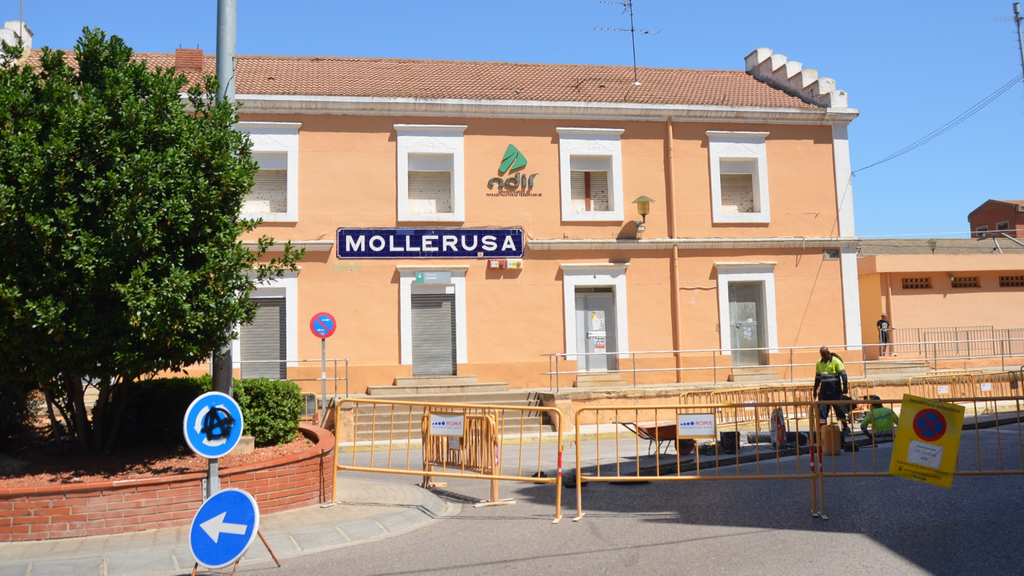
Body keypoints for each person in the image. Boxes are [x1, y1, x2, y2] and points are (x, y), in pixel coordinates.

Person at [814, 346, 850, 449]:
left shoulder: (836, 361)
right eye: (822, 354)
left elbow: (843, 375)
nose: (823, 356)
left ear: (828, 353)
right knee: (822, 411)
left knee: (839, 409)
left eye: (825, 354)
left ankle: (845, 426)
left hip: (835, 391)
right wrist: (815, 390)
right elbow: (817, 378)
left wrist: (845, 386)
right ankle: (822, 431)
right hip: (824, 392)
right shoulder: (819, 363)